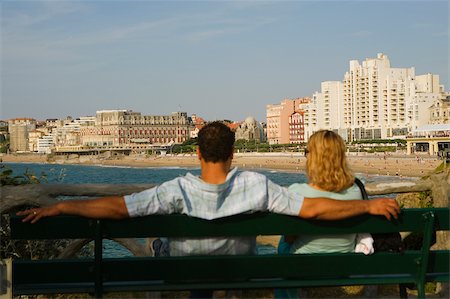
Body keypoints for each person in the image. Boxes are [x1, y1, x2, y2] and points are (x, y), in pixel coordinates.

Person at [18, 122, 400, 297]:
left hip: (185, 272)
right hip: (239, 270)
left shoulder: (177, 188)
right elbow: (313, 210)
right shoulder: (255, 185)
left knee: (168, 248)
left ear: (197, 153)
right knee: (219, 250)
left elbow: (120, 208)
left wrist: (64, 205)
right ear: (233, 154)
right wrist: (366, 203)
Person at [275, 130, 370, 299]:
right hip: (344, 266)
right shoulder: (356, 191)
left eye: (307, 153)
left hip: (304, 267)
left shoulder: (297, 192)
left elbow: (290, 237)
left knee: (283, 244)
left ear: (313, 159)